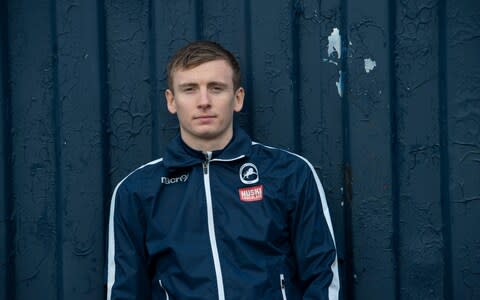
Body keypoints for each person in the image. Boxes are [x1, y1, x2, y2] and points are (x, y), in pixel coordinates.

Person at [106, 40, 339, 300]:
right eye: (189, 89)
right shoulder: (137, 191)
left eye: (216, 88)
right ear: (171, 101)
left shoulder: (289, 173)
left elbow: (321, 274)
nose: (203, 101)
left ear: (237, 98)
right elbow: (125, 290)